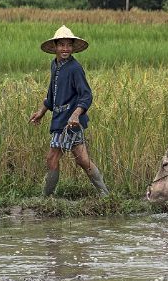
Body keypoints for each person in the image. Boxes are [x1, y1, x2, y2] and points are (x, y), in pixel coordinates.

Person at [29, 25, 109, 197]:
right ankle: (105, 195)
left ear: (72, 48)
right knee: (81, 160)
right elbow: (52, 94)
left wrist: (75, 115)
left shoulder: (75, 68)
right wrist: (41, 111)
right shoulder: (55, 65)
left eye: (68, 45)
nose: (65, 48)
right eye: (62, 45)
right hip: (59, 120)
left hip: (70, 122)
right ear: (55, 47)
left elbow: (86, 96)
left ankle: (45, 198)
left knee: (55, 158)